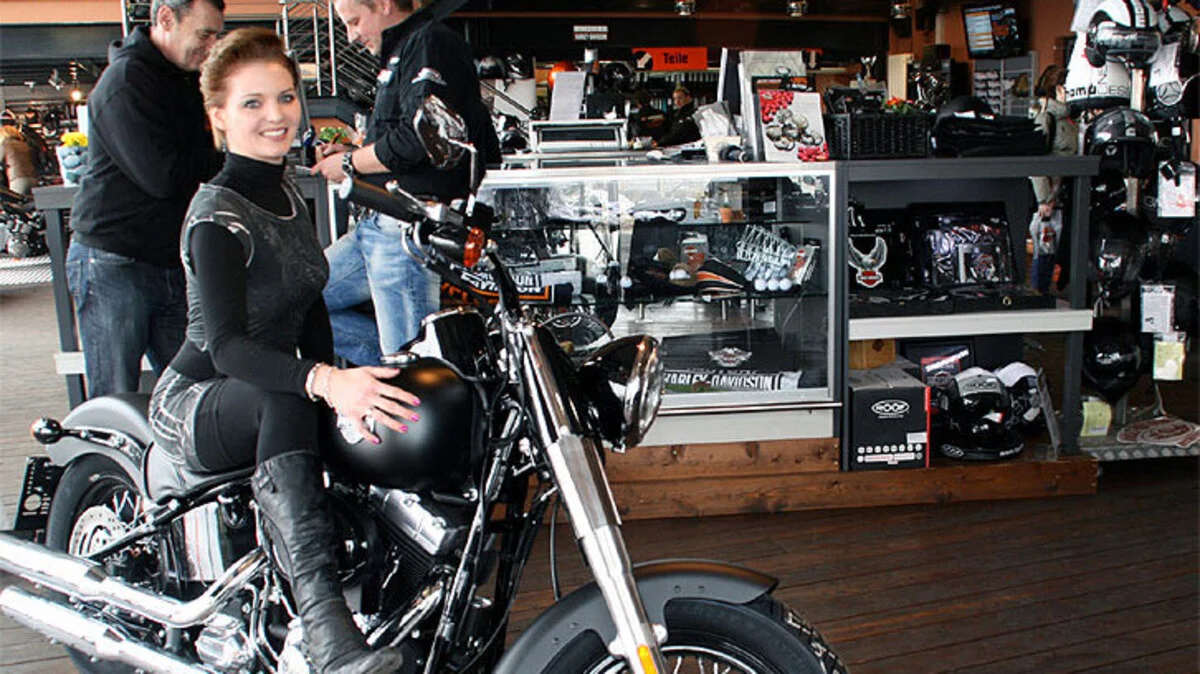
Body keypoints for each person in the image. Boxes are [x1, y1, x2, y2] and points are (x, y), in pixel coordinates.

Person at [148, 28, 410, 674]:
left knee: (371, 395)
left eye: (286, 97)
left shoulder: (288, 190)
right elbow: (226, 347)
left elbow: (307, 301)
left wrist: (342, 385)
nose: (276, 115)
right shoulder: (216, 214)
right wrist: (324, 382)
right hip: (197, 396)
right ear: (218, 117)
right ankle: (324, 629)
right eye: (252, 103)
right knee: (290, 399)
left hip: (263, 384)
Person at [313, 0, 500, 366]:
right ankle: (407, 372)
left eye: (354, 21)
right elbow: (403, 140)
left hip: (405, 226)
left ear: (383, 4)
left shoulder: (428, 43)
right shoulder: (405, 51)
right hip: (378, 224)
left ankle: (412, 376)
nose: (351, 37)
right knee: (300, 304)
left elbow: (420, 139)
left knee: (410, 363)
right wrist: (355, 153)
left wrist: (349, 163)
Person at [66, 0, 226, 398]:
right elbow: (163, 177)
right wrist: (230, 157)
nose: (211, 45)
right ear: (166, 18)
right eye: (204, 34)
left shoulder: (185, 80)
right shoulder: (125, 82)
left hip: (168, 260)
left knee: (194, 392)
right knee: (115, 396)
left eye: (216, 35)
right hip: (113, 261)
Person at [1028, 64, 1078, 294]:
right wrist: (1044, 199)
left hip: (1062, 193)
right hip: (1050, 197)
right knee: (1045, 249)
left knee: (1053, 248)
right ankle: (1040, 296)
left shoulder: (1066, 118)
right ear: (1059, 88)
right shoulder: (1046, 115)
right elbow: (1035, 159)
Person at [0, 125, 36, 195]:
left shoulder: (4, 144)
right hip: (33, 179)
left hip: (18, 180)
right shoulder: (25, 145)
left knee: (16, 200)